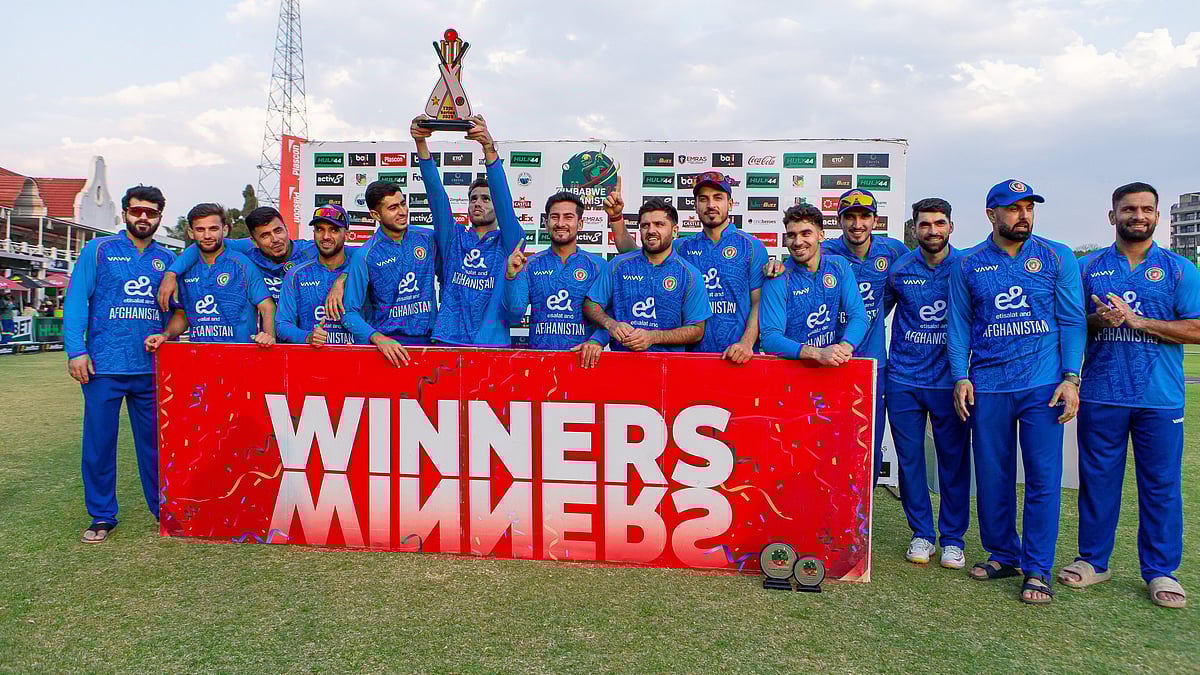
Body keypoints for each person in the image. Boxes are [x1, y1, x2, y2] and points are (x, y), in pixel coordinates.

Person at [1058, 182, 1199, 609]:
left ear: (1157, 216)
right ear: (1112, 215)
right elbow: (1072, 324)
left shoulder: (1179, 269)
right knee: (1098, 484)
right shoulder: (1090, 268)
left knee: (1160, 486)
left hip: (1160, 397)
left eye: (1146, 209)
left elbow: (1196, 328)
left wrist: (1139, 322)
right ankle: (1093, 561)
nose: (1137, 216)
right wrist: (1100, 320)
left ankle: (1160, 571)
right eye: (1128, 209)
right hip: (1103, 393)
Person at [947, 179, 1085, 605]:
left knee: (1043, 479)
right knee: (993, 476)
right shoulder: (968, 263)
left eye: (1028, 207)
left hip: (1042, 385)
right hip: (988, 384)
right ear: (992, 215)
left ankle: (1038, 568)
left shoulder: (1056, 255)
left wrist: (1071, 378)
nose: (1023, 215)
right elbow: (959, 325)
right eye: (1012, 208)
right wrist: (960, 375)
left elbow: (1073, 319)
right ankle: (1004, 553)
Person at [62, 185, 176, 543]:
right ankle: (101, 515)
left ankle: (164, 511)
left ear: (160, 216)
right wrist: (75, 351)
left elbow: (178, 312)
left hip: (151, 367)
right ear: (125, 212)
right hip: (103, 366)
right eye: (137, 210)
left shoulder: (169, 259)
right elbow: (78, 300)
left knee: (157, 446)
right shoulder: (98, 250)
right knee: (99, 444)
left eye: (151, 212)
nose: (143, 217)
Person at [884, 198, 971, 568]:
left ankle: (953, 539)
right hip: (903, 378)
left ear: (951, 226)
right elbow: (874, 313)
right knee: (910, 461)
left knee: (953, 461)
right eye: (924, 224)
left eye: (939, 223)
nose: (932, 230)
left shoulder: (967, 266)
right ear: (914, 229)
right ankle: (921, 534)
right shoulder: (901, 268)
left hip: (949, 381)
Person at [411, 114, 524, 346]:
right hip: (448, 340)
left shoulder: (510, 241)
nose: (477, 203)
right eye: (473, 199)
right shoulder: (455, 238)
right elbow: (436, 196)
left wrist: (488, 148)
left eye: (485, 198)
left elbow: (504, 202)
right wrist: (421, 144)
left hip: (490, 345)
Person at [583, 198, 711, 354]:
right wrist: (610, 324)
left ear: (675, 230)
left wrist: (653, 337)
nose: (651, 231)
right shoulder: (618, 265)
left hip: (669, 369)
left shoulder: (690, 274)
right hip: (621, 366)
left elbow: (697, 330)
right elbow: (591, 305)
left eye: (659, 224)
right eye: (645, 225)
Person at [146, 204, 275, 348]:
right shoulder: (186, 269)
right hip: (200, 358)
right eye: (200, 229)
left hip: (240, 358)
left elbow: (267, 306)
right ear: (191, 232)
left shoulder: (242, 263)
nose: (207, 235)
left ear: (224, 230)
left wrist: (269, 338)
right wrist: (166, 335)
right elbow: (183, 314)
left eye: (213, 229)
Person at [339, 181, 439, 366]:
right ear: (376, 214)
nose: (402, 211)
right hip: (388, 348)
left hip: (430, 343)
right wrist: (377, 338)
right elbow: (349, 313)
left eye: (403, 203)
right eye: (393, 207)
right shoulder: (366, 255)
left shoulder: (428, 238)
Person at [502, 191, 608, 365]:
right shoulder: (530, 264)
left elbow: (610, 316)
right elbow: (514, 315)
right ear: (545, 223)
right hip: (540, 363)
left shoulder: (598, 266)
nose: (560, 223)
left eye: (568, 217)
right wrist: (511, 277)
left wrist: (597, 341)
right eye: (554, 217)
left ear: (580, 224)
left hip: (584, 363)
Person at [675, 171, 769, 363]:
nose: (711, 205)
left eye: (718, 198)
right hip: (690, 358)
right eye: (703, 199)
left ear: (731, 204)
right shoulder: (681, 247)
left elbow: (758, 302)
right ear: (695, 206)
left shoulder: (752, 246)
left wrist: (746, 343)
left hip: (738, 357)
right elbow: (640, 255)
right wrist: (617, 219)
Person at [759, 204, 868, 364]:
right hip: (792, 374)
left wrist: (842, 350)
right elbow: (770, 339)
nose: (797, 242)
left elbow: (859, 316)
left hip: (832, 369)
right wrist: (817, 353)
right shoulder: (777, 277)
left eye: (806, 234)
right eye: (791, 235)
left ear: (821, 236)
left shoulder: (839, 266)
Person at [157, 206, 322, 309]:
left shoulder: (311, 250)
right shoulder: (247, 252)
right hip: (266, 340)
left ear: (286, 228)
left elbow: (347, 255)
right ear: (253, 240)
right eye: (265, 235)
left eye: (278, 231)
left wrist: (341, 279)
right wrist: (171, 273)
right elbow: (203, 244)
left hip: (303, 337)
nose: (275, 239)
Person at [276, 204, 355, 347]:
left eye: (334, 230)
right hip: (310, 362)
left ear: (347, 234)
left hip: (357, 360)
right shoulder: (296, 275)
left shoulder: (361, 271)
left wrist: (361, 342)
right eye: (320, 229)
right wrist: (307, 337)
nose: (326, 236)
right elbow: (282, 325)